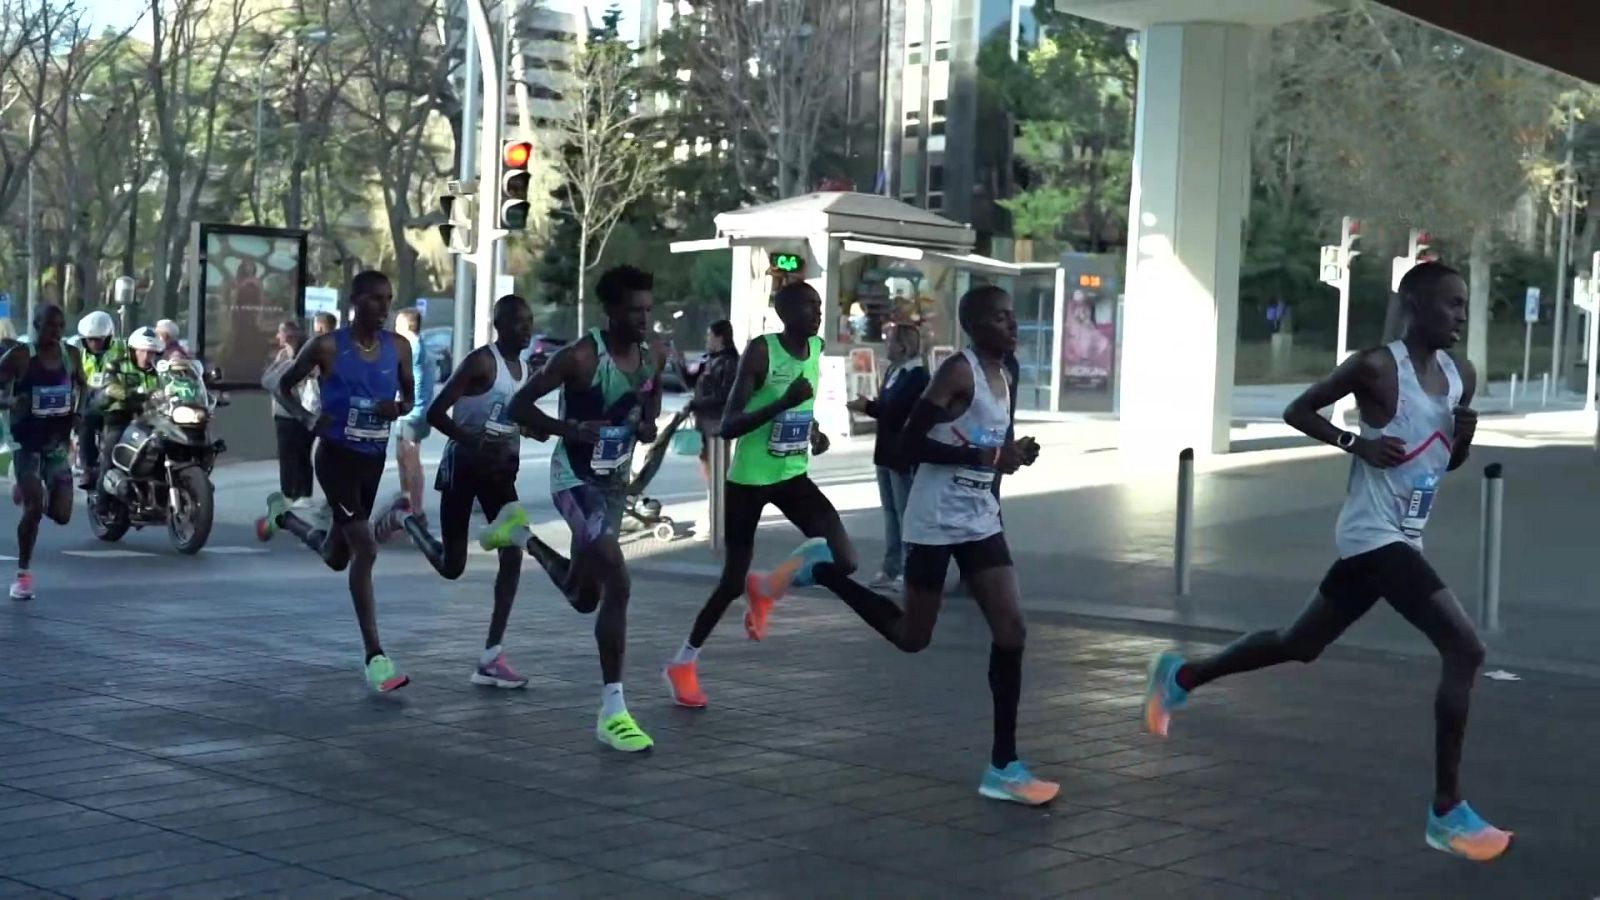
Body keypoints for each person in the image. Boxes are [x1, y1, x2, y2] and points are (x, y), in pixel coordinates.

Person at [1141, 262, 1510, 861]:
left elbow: (1447, 462)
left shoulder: (1458, 375)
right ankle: (1447, 811)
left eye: (1465, 305)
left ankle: (1180, 677)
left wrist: (1464, 437)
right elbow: (1298, 410)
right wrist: (1356, 443)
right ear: (1416, 307)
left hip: (1402, 538)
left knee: (1299, 642)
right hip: (1371, 535)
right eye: (1451, 305)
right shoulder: (1375, 366)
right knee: (1466, 648)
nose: (1461, 316)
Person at [808, 286, 1053, 805]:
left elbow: (992, 443)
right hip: (933, 520)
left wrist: (1013, 454)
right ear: (976, 326)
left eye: (1013, 318)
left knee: (1011, 632)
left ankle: (1003, 766)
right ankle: (826, 572)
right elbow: (908, 443)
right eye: (1003, 318)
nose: (1013, 327)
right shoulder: (956, 373)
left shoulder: (1006, 373)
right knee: (912, 637)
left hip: (979, 519)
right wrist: (985, 461)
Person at [479, 265, 664, 752]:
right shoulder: (580, 357)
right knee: (619, 582)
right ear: (611, 312)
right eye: (634, 311)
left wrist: (646, 426)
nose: (643, 320)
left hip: (614, 484)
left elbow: (651, 404)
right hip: (575, 482)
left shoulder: (654, 355)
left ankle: (521, 535)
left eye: (648, 310)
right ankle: (613, 710)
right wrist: (570, 431)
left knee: (585, 596)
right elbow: (520, 406)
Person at [662, 281, 856, 709]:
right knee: (731, 582)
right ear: (785, 313)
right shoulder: (762, 351)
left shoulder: (816, 349)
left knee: (846, 559)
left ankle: (769, 585)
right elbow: (728, 425)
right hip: (749, 480)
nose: (818, 313)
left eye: (819, 306)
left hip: (792, 475)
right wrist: (782, 402)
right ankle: (683, 663)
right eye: (809, 307)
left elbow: (800, 411)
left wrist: (814, 432)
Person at [256, 271, 416, 693]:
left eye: (388, 299)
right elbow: (279, 384)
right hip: (335, 458)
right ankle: (375, 657)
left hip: (372, 459)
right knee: (364, 547)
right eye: (375, 300)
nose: (383, 308)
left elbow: (410, 398)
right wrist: (309, 418)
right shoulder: (327, 346)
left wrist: (396, 408)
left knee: (336, 555)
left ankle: (284, 518)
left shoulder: (397, 347)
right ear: (355, 302)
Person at [395, 295, 535, 689]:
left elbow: (515, 418)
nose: (527, 330)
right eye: (519, 323)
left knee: (513, 552)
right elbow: (437, 412)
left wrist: (533, 430)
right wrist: (469, 439)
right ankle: (406, 519)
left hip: (499, 474)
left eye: (530, 322)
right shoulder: (481, 361)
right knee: (452, 567)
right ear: (500, 326)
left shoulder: (525, 368)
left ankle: (492, 655)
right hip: (464, 468)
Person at [0, 305, 85, 600]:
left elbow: (82, 387)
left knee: (61, 515)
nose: (57, 332)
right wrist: (11, 404)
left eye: (61, 326)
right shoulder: (20, 357)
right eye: (50, 326)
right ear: (36, 326)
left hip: (57, 446)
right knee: (34, 508)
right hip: (27, 445)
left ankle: (30, 490)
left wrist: (79, 414)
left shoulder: (70, 355)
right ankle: (23, 577)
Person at [848, 322, 929, 588]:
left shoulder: (917, 376)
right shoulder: (894, 371)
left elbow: (896, 411)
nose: (886, 346)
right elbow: (886, 406)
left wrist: (868, 406)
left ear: (904, 346)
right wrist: (871, 406)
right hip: (884, 450)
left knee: (905, 514)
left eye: (891, 341)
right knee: (890, 512)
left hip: (902, 453)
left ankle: (910, 569)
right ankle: (890, 567)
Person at [376, 307, 435, 539]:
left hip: (415, 412)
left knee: (410, 458)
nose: (394, 327)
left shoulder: (413, 345)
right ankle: (406, 503)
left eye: (398, 324)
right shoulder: (411, 345)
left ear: (407, 326)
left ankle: (417, 512)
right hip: (406, 412)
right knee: (402, 457)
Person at [95, 327, 165, 506]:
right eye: (144, 351)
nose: (148, 356)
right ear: (134, 350)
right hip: (121, 415)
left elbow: (172, 386)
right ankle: (101, 502)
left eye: (152, 352)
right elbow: (109, 385)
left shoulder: (160, 371)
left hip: (151, 418)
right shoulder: (117, 365)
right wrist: (128, 393)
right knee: (111, 453)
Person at [685, 319, 739, 539]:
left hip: (718, 425)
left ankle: (717, 521)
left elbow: (725, 397)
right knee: (709, 470)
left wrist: (697, 404)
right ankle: (716, 515)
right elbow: (691, 382)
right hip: (706, 424)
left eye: (710, 336)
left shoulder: (729, 363)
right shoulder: (709, 360)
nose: (707, 340)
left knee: (717, 473)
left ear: (720, 337)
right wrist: (678, 362)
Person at [265, 320, 316, 504]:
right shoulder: (282, 355)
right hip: (283, 412)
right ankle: (288, 492)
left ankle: (303, 493)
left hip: (302, 410)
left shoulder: (306, 354)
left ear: (289, 335)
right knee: (286, 453)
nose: (278, 337)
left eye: (280, 333)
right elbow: (272, 379)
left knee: (302, 452)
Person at [74, 311, 122, 488]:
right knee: (85, 420)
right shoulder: (80, 356)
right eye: (90, 339)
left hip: (120, 401)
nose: (94, 343)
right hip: (94, 402)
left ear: (109, 337)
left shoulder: (122, 350)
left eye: (98, 339)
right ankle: (89, 467)